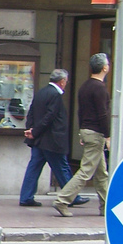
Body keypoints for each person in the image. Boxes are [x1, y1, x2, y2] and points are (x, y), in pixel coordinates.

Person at [54, 53, 111, 217]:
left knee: (101, 173)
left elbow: (81, 112)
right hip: (96, 133)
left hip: (87, 130)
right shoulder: (100, 89)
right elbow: (103, 114)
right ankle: (62, 200)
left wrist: (81, 131)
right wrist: (107, 136)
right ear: (104, 68)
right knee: (86, 171)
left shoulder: (84, 86)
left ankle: (106, 206)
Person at [19, 68, 86, 207]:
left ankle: (26, 196)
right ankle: (71, 196)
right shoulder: (55, 95)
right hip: (52, 140)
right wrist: (35, 131)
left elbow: (31, 112)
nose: (66, 84)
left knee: (34, 167)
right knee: (62, 167)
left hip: (39, 140)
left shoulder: (41, 92)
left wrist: (31, 129)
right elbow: (49, 117)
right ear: (62, 82)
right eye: (66, 82)